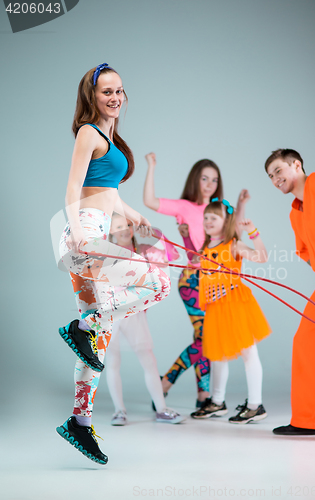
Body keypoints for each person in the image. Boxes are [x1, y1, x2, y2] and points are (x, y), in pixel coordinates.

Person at [56, 64, 171, 464]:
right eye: (107, 91)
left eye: (120, 90)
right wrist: (80, 236)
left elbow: (104, 190)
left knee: (95, 344)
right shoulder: (89, 132)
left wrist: (134, 214)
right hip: (86, 235)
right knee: (159, 283)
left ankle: (80, 422)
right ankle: (82, 325)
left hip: (91, 234)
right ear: (92, 96)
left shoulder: (108, 137)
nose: (115, 97)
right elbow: (73, 186)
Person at [143, 153, 249, 408]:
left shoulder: (219, 209)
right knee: (205, 339)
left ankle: (203, 395)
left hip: (215, 282)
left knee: (203, 337)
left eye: (214, 179)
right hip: (192, 281)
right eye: (204, 178)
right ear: (195, 180)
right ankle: (166, 383)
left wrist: (240, 205)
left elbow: (234, 234)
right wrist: (152, 167)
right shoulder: (184, 207)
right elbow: (150, 201)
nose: (210, 184)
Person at [265, 149, 315, 436]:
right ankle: (307, 421)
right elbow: (305, 253)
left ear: (296, 164)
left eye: (278, 171)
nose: (275, 179)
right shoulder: (295, 212)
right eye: (271, 176)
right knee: (307, 342)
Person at [189, 199, 271, 422]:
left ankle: (255, 405)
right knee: (218, 355)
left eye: (213, 218)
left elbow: (262, 258)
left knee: (248, 352)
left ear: (226, 222)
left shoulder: (234, 245)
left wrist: (253, 232)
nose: (207, 221)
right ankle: (217, 402)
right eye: (206, 217)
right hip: (215, 308)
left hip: (235, 305)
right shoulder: (205, 249)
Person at [105, 214, 185, 425]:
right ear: (111, 230)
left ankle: (162, 409)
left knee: (149, 360)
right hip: (110, 314)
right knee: (112, 361)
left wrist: (157, 234)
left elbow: (173, 254)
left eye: (128, 225)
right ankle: (119, 411)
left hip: (134, 314)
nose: (125, 229)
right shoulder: (104, 254)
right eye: (119, 226)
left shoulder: (145, 251)